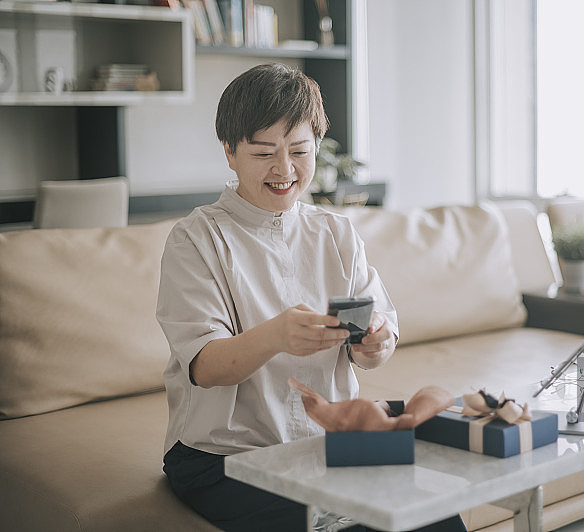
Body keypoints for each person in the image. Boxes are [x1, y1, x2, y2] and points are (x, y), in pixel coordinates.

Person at [156, 63, 466, 532]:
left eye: (300, 150)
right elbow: (205, 366)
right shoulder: (196, 239)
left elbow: (378, 337)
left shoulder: (335, 232)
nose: (285, 170)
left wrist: (375, 345)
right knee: (342, 521)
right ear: (229, 152)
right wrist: (276, 336)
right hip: (224, 456)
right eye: (264, 153)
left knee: (434, 512)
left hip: (330, 443)